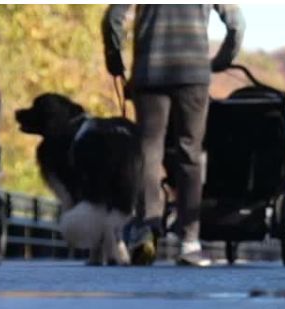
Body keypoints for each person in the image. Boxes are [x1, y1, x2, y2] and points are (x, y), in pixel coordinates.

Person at [103, 4, 245, 267]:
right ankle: (189, 241)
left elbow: (113, 18)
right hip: (193, 74)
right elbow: (236, 23)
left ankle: (145, 229)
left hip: (149, 73)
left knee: (149, 151)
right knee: (189, 154)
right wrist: (221, 60)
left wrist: (115, 60)